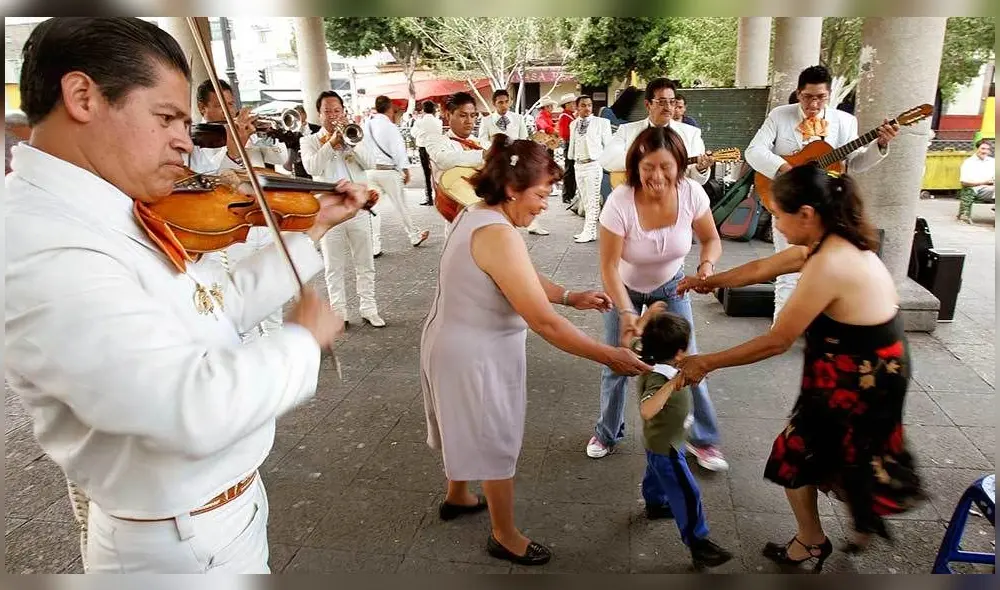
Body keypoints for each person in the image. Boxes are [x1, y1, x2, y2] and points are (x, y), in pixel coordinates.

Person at [5, 16, 362, 573]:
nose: (184, 139)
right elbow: (189, 408)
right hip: (177, 547)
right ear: (82, 97)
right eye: (166, 117)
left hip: (213, 520)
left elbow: (209, 303)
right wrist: (300, 341)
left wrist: (312, 229)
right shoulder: (44, 242)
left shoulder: (109, 209)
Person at [676, 165, 926, 571]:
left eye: (778, 215)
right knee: (851, 451)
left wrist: (706, 362)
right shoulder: (828, 241)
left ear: (806, 214)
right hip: (867, 366)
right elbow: (763, 268)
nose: (775, 223)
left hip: (862, 375)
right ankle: (862, 519)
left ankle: (811, 540)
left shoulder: (830, 263)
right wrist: (710, 280)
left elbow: (777, 340)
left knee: (797, 455)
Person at [420, 136, 650, 566]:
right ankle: (504, 534)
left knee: (464, 424)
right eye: (541, 194)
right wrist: (608, 355)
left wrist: (569, 295)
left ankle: (458, 496)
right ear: (512, 189)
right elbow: (543, 322)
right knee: (494, 436)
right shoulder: (497, 233)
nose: (546, 205)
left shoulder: (478, 213)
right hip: (475, 353)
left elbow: (519, 276)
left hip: (453, 341)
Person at [588, 126, 728, 472]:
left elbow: (711, 239)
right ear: (636, 166)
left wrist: (707, 266)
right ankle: (607, 432)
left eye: (666, 166)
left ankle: (704, 440)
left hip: (672, 288)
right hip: (625, 290)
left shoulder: (692, 193)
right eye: (648, 166)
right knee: (617, 363)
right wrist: (624, 311)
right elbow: (607, 265)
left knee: (690, 362)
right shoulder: (620, 201)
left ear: (680, 166)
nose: (657, 176)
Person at [745, 65, 899, 322]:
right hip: (790, 205)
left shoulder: (845, 121)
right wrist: (787, 169)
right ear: (798, 93)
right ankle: (780, 328)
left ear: (829, 95)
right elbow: (754, 152)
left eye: (820, 97)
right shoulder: (779, 116)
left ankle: (818, 328)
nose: (813, 103)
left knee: (828, 268)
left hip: (828, 208)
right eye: (807, 97)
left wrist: (880, 144)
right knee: (787, 272)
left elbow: (856, 163)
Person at [632, 303, 732, 570]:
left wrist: (648, 317)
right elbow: (647, 409)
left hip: (658, 443)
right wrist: (671, 386)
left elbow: (632, 339)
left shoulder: (646, 354)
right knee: (688, 491)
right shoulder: (657, 378)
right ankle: (698, 543)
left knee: (655, 473)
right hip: (668, 447)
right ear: (679, 352)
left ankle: (654, 504)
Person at [301, 90, 385, 328]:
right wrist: (331, 143)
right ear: (319, 114)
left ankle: (369, 308)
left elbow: (369, 163)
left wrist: (352, 143)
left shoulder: (355, 135)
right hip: (330, 212)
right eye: (328, 111)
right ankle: (339, 313)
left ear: (343, 111)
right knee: (333, 266)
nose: (333, 115)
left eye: (337, 110)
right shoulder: (309, 141)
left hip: (357, 208)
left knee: (365, 261)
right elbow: (311, 167)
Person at [600, 78, 714, 188]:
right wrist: (646, 158)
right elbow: (607, 160)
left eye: (672, 102)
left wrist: (701, 169)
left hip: (676, 201)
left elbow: (697, 182)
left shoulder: (691, 133)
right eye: (662, 102)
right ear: (647, 104)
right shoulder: (626, 130)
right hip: (636, 198)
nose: (668, 107)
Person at [365, 95, 430, 252]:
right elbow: (398, 151)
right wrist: (405, 170)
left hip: (370, 171)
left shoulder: (367, 124)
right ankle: (414, 236)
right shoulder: (391, 127)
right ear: (390, 109)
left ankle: (375, 246)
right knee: (401, 206)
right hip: (389, 171)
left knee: (373, 209)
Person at [567, 94, 612, 243]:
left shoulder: (602, 123)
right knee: (585, 200)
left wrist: (604, 163)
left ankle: (590, 231)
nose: (587, 108)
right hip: (578, 164)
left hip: (593, 164)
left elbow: (609, 146)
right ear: (577, 107)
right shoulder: (573, 124)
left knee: (593, 200)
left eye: (589, 105)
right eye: (583, 105)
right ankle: (589, 231)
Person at [411, 100, 443, 206]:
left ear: (423, 110)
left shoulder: (419, 122)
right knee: (436, 174)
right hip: (436, 148)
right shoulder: (438, 122)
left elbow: (413, 133)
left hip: (423, 148)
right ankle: (439, 198)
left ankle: (429, 198)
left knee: (427, 174)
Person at [957, 138, 994, 223]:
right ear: (977, 149)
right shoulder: (969, 163)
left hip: (991, 188)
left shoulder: (992, 162)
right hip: (976, 189)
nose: (985, 151)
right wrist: (984, 183)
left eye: (987, 149)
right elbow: (964, 182)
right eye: (983, 148)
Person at [557, 92, 578, 205]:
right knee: (569, 170)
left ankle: (571, 193)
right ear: (567, 104)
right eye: (572, 103)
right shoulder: (565, 116)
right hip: (569, 144)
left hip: (572, 144)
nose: (574, 105)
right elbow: (564, 133)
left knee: (572, 170)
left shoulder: (571, 115)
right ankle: (567, 195)